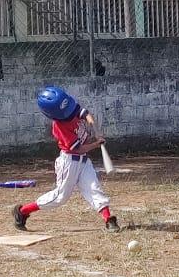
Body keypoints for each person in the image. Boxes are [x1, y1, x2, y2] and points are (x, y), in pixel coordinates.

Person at [13, 86, 120, 233]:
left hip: (83, 161)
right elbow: (78, 149)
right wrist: (96, 144)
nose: (70, 113)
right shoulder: (59, 126)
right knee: (60, 197)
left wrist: (94, 128)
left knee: (94, 188)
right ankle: (23, 211)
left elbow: (85, 114)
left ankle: (108, 219)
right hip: (69, 162)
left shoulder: (70, 108)